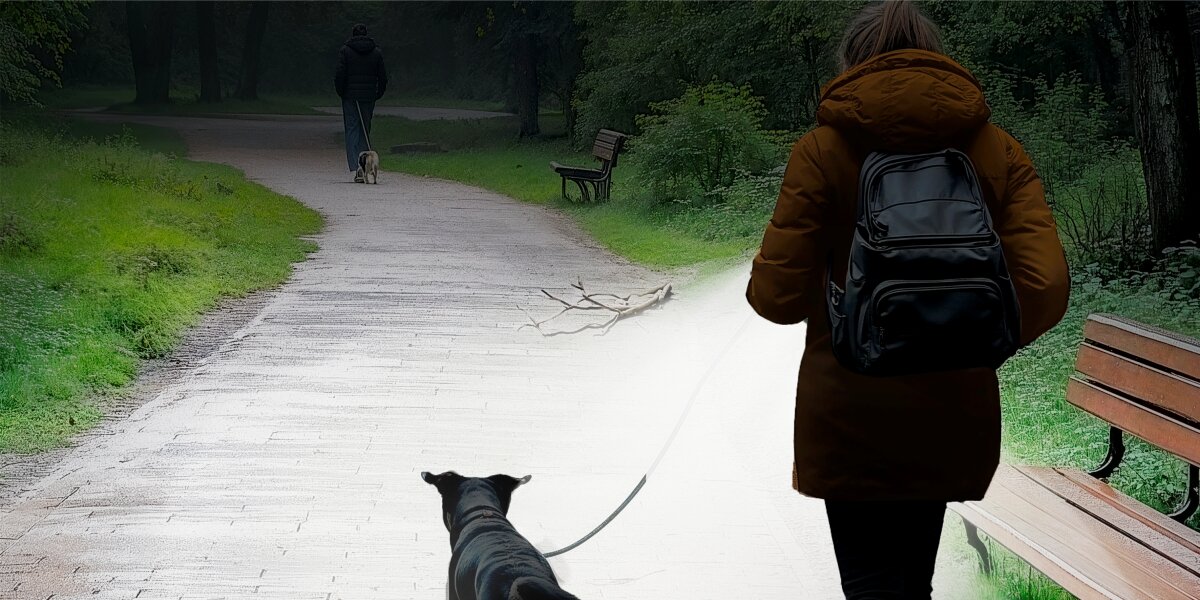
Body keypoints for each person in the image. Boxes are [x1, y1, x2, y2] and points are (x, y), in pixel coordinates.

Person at [745, 1, 1069, 599]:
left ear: (853, 63)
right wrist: (976, 337)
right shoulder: (997, 150)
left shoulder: (821, 151)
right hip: (953, 409)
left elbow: (777, 300)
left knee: (869, 585)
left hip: (849, 409)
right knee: (910, 582)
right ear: (935, 57)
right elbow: (1045, 285)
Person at [335, 23, 387, 182]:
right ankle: (366, 165)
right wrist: (377, 94)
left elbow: (339, 75)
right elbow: (383, 77)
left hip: (350, 97)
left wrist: (342, 92)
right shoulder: (376, 52)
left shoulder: (346, 51)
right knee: (365, 128)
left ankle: (355, 166)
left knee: (352, 129)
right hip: (368, 96)